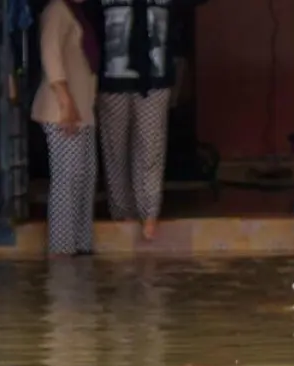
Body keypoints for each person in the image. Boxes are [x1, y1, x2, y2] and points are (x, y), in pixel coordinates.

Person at [94, 0, 201, 241]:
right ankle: (122, 214)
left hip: (155, 81)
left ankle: (149, 213)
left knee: (151, 147)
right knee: (115, 151)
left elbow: (180, 26)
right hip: (112, 81)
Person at [33, 0, 101, 257]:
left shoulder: (75, 12)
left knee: (84, 179)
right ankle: (62, 251)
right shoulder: (56, 10)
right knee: (68, 181)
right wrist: (65, 101)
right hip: (63, 112)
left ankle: (81, 247)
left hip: (81, 111)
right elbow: (50, 54)